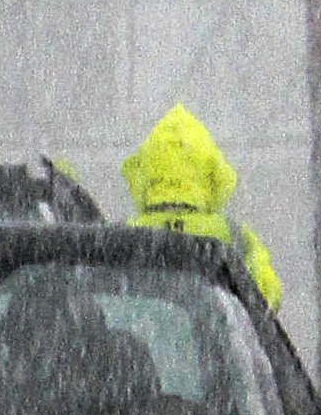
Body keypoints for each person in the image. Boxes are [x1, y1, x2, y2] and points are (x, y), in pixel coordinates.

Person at [121, 103, 283, 310]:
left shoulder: (125, 235)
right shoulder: (233, 238)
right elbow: (266, 297)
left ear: (143, 172)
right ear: (211, 173)